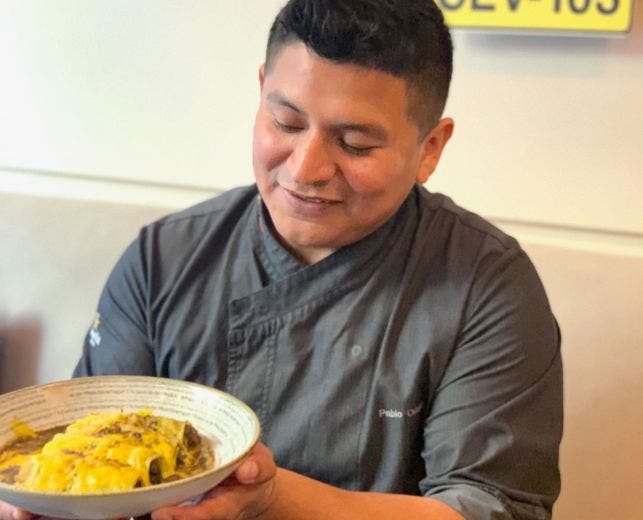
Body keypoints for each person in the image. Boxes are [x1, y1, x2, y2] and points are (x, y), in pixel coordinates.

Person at [0, 1, 563, 519]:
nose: (305, 168)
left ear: (431, 149)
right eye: (286, 123)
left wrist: (271, 498)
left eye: (356, 144)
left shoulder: (486, 286)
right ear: (262, 91)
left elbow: (488, 507)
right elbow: (90, 438)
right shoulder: (163, 260)